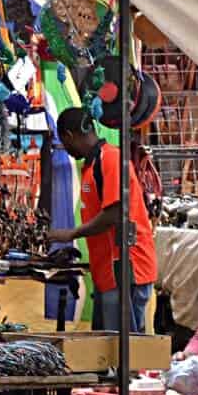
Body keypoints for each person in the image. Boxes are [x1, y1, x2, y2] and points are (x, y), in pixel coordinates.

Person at [46, 106, 157, 333]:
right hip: (108, 272)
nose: (66, 149)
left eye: (64, 142)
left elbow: (114, 214)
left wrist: (71, 234)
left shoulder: (110, 159)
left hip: (126, 269)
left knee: (125, 347)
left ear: (69, 135)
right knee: (105, 345)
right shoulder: (93, 164)